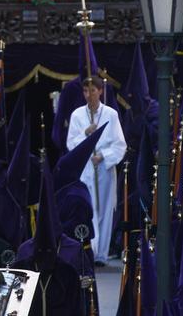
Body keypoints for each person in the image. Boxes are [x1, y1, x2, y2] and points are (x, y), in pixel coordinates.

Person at [65, 77, 126, 265]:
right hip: (85, 169)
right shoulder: (77, 115)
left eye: (92, 91)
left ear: (100, 91)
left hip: (104, 167)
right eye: (85, 91)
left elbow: (119, 144)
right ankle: (89, 249)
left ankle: (101, 255)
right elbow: (70, 143)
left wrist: (104, 156)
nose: (89, 95)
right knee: (88, 207)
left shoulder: (111, 114)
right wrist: (85, 134)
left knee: (105, 209)